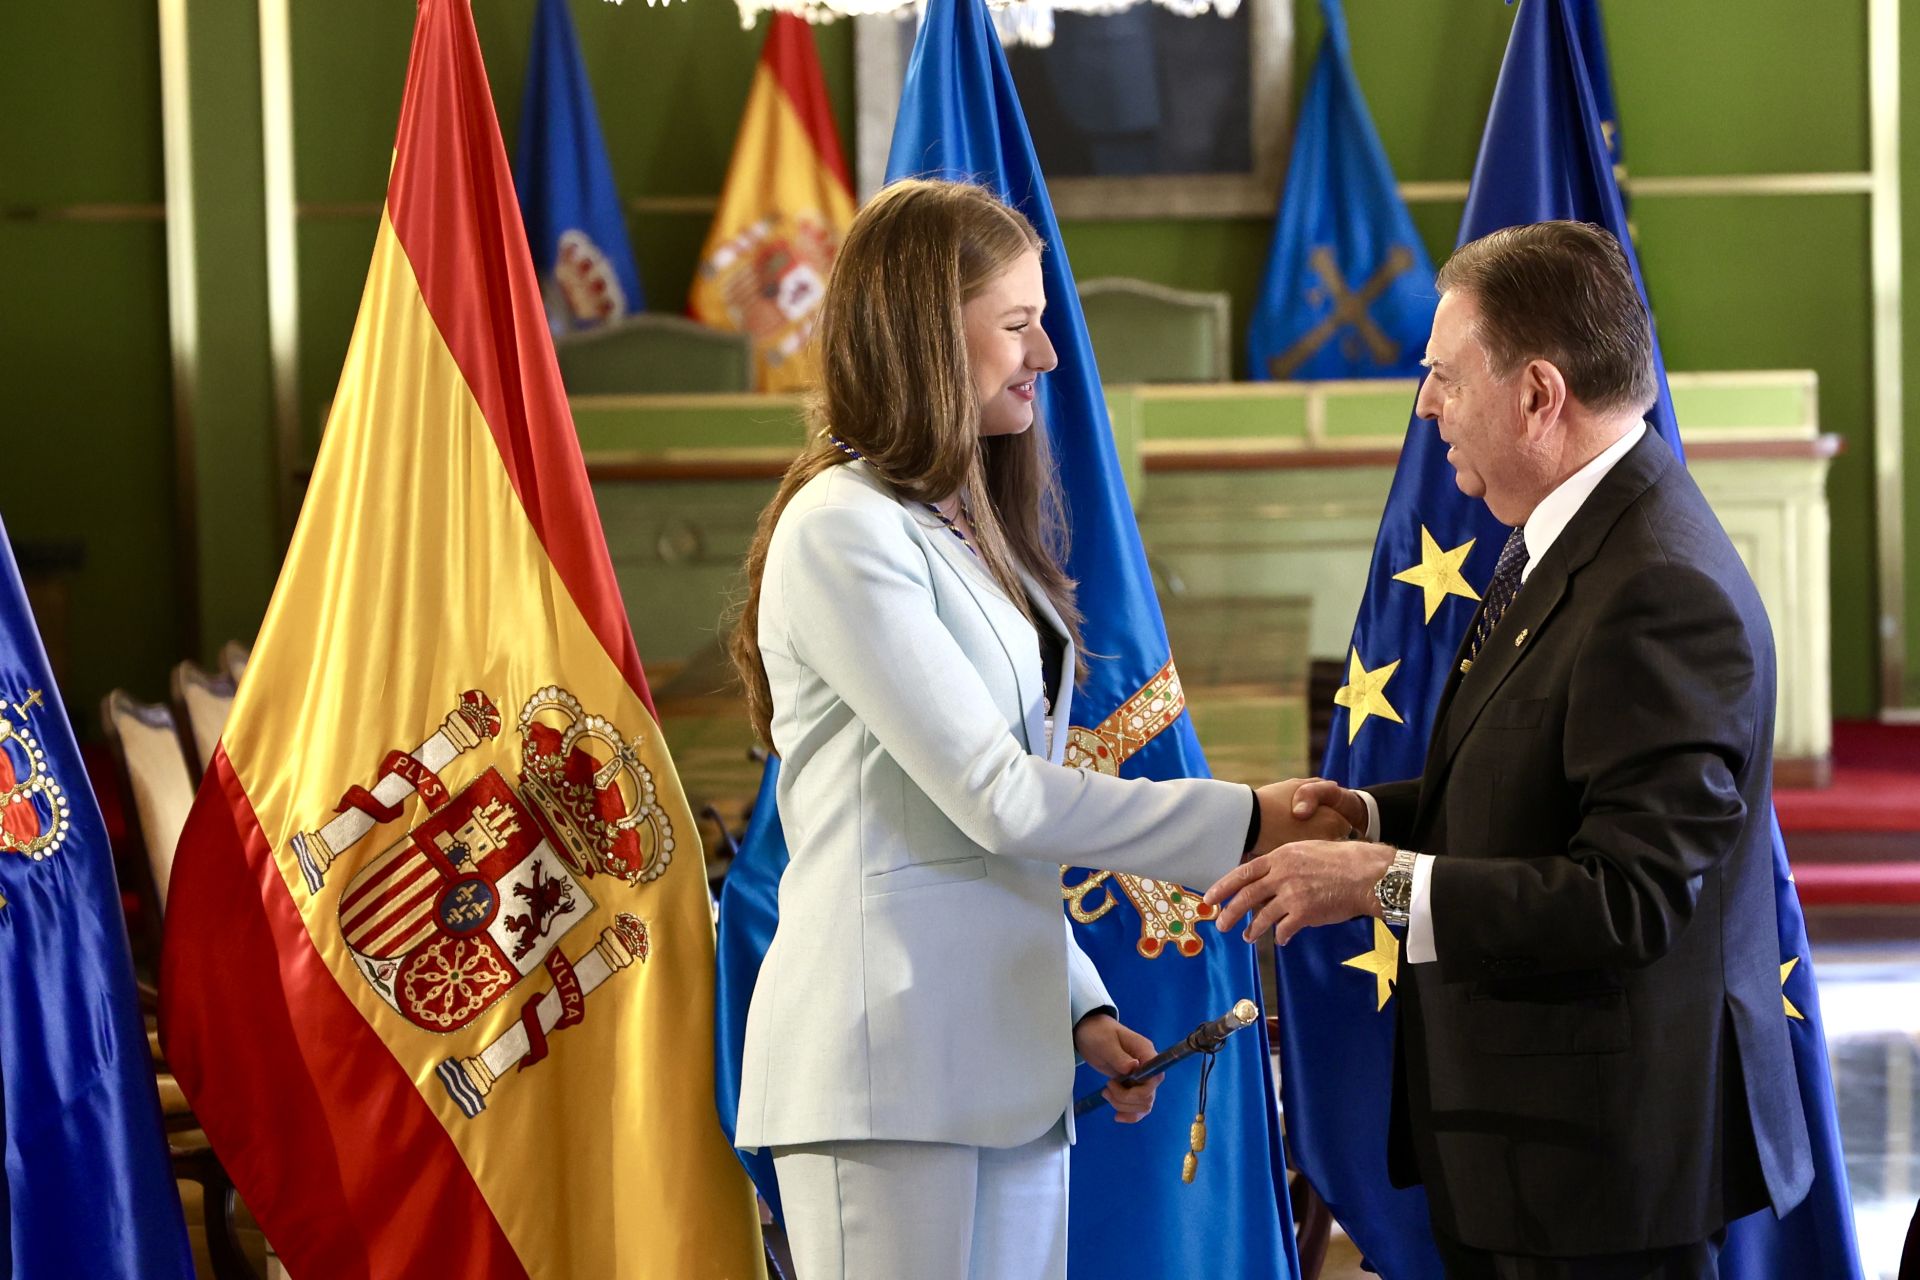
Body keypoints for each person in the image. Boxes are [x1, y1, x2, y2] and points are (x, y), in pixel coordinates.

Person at [728, 177, 1339, 1280]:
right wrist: (1247, 817)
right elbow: (999, 796)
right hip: (885, 1071)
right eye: (1017, 323)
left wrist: (1079, 1007)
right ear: (924, 329)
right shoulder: (841, 527)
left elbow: (976, 841)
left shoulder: (958, 524)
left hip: (1003, 1062)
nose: (1047, 354)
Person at [1206, 221, 1814, 1279]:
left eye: (1444, 374)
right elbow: (1531, 782)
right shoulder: (1575, 533)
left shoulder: (1661, 587)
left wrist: (1384, 883)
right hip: (1534, 1157)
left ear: (1539, 393)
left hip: (1602, 1173)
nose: (1424, 404)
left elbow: (1627, 897)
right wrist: (1373, 817)